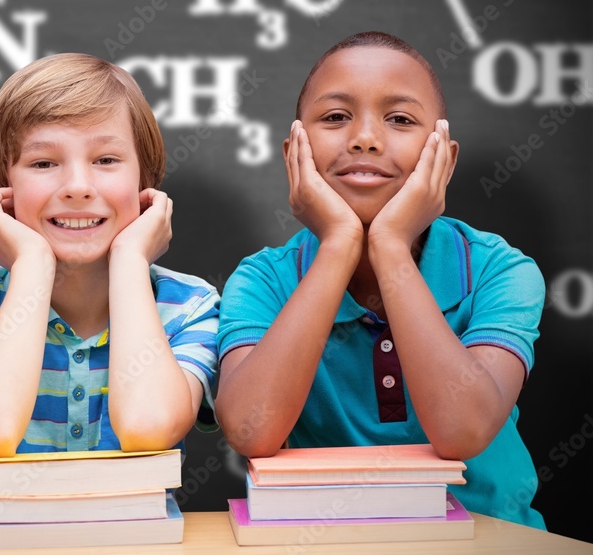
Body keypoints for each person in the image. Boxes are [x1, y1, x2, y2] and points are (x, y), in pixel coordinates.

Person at [216, 31, 545, 528]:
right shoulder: (263, 280)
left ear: (445, 159)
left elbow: (462, 431)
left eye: (400, 119)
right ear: (293, 154)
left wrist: (390, 246)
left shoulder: (499, 271)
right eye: (335, 117)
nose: (365, 138)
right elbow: (250, 430)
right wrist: (338, 246)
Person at [0, 53, 219, 483]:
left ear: (145, 182)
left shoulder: (190, 306)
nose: (79, 188)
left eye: (106, 160)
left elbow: (148, 427)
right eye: (44, 163)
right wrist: (31, 265)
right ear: (3, 189)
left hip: (145, 548)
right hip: (2, 548)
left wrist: (130, 259)